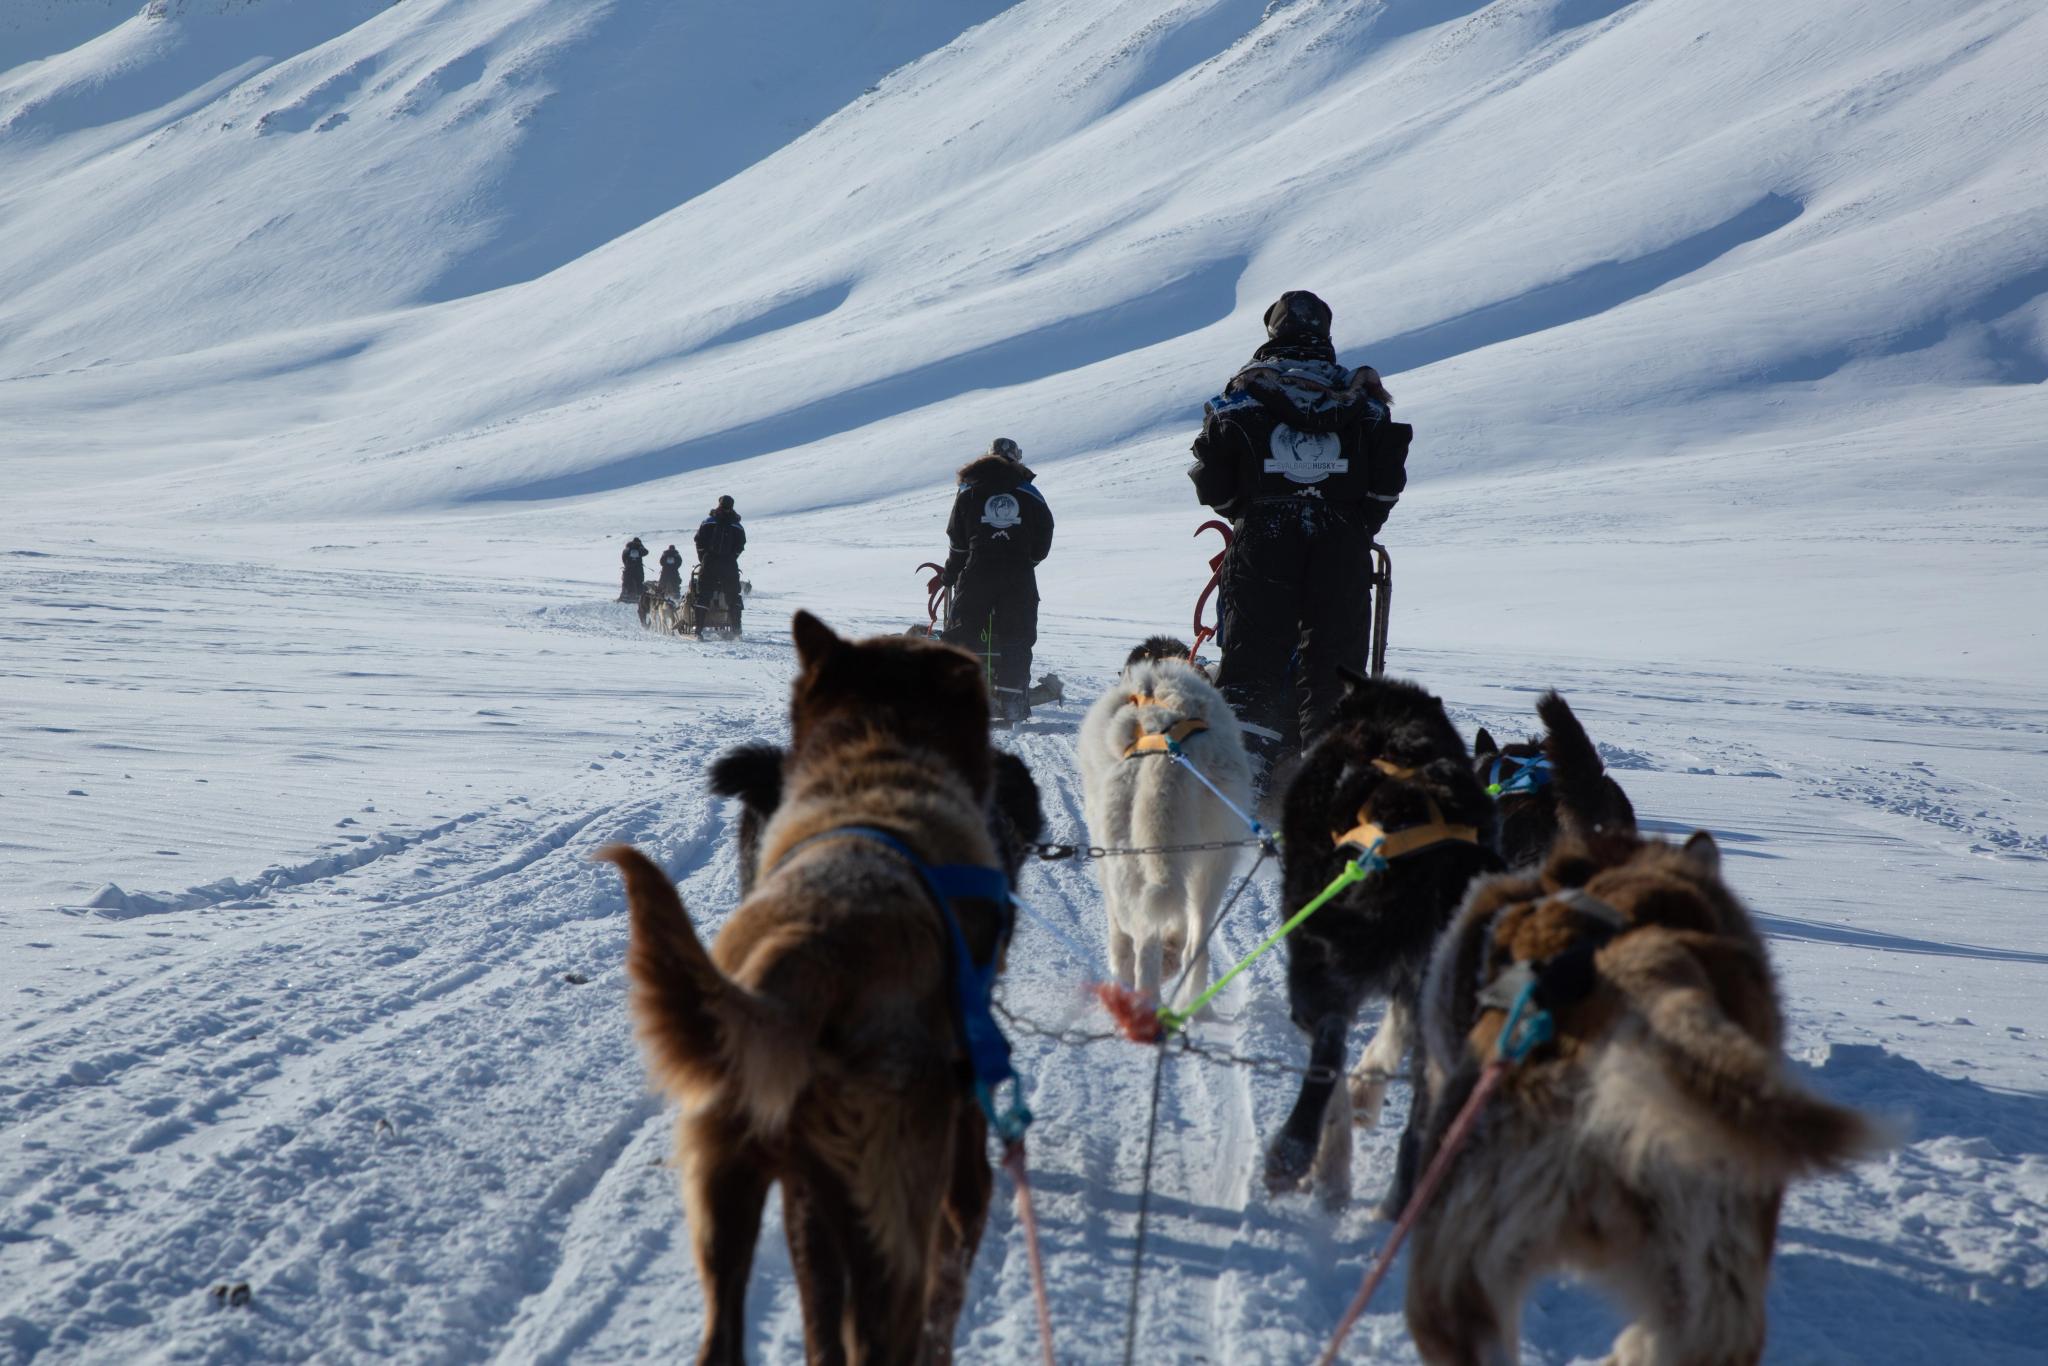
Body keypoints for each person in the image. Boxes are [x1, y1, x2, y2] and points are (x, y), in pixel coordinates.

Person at [1186, 290, 1410, 783]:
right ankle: (1336, 782)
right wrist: (1356, 524)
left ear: (1273, 332)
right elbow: (1386, 485)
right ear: (1324, 335)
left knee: (1253, 662)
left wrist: (1247, 512)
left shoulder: (1240, 397)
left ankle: (1245, 782)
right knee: (1338, 666)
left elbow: (1214, 483)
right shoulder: (1365, 403)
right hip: (1341, 541)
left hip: (1263, 538)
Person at [941, 437, 1053, 726]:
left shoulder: (969, 490)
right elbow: (1045, 533)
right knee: (1017, 636)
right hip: (1019, 574)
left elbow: (958, 539)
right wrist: (1030, 560)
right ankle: (1012, 700)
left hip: (977, 572)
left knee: (961, 633)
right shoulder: (1029, 492)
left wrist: (951, 572)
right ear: (1017, 460)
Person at [694, 496, 746, 637]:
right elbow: (741, 544)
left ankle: (698, 630)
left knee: (703, 594)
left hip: (710, 561)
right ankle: (737, 630)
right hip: (729, 563)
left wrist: (703, 557)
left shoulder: (709, 521)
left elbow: (698, 540)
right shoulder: (737, 524)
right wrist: (732, 557)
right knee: (733, 595)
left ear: (719, 504)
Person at [618, 536, 648, 602]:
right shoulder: (640, 548)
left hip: (628, 568)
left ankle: (625, 596)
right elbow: (646, 552)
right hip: (638, 568)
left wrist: (626, 564)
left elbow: (623, 556)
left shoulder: (628, 548)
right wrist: (641, 546)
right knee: (639, 581)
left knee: (626, 582)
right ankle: (639, 596)